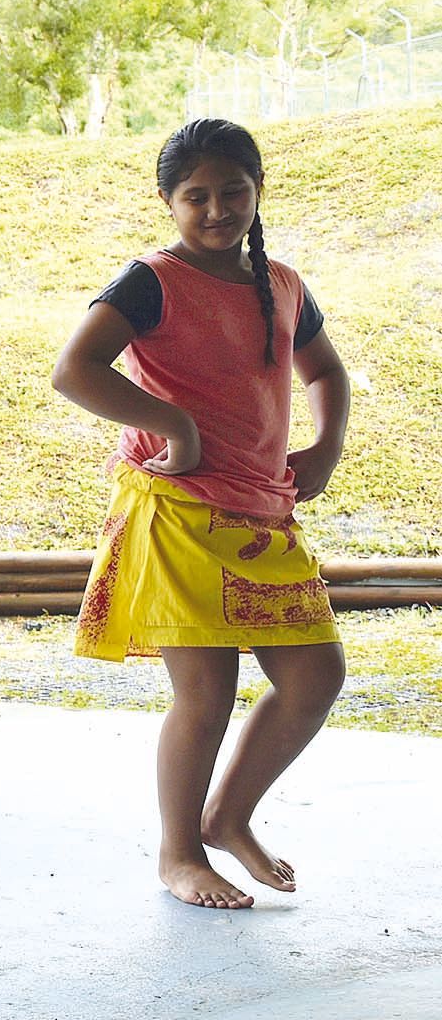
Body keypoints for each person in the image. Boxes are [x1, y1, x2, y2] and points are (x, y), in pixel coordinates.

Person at [52, 118, 349, 911]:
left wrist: (324, 448)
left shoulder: (280, 282)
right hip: (177, 511)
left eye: (232, 192)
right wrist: (175, 426)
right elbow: (74, 370)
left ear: (256, 193)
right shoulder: (150, 278)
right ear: (167, 201)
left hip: (262, 514)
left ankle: (227, 817)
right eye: (195, 196)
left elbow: (324, 369)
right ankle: (178, 853)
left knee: (316, 675)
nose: (215, 209)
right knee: (205, 690)